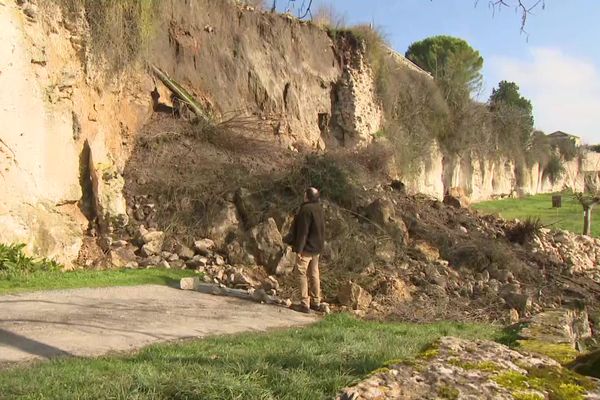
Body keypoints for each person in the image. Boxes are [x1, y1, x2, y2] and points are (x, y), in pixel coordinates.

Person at [286, 187, 327, 313]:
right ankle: (316, 302)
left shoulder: (305, 210)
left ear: (307, 196)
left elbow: (303, 232)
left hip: (307, 248)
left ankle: (304, 303)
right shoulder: (319, 208)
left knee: (301, 272)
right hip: (317, 247)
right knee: (314, 273)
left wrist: (298, 250)